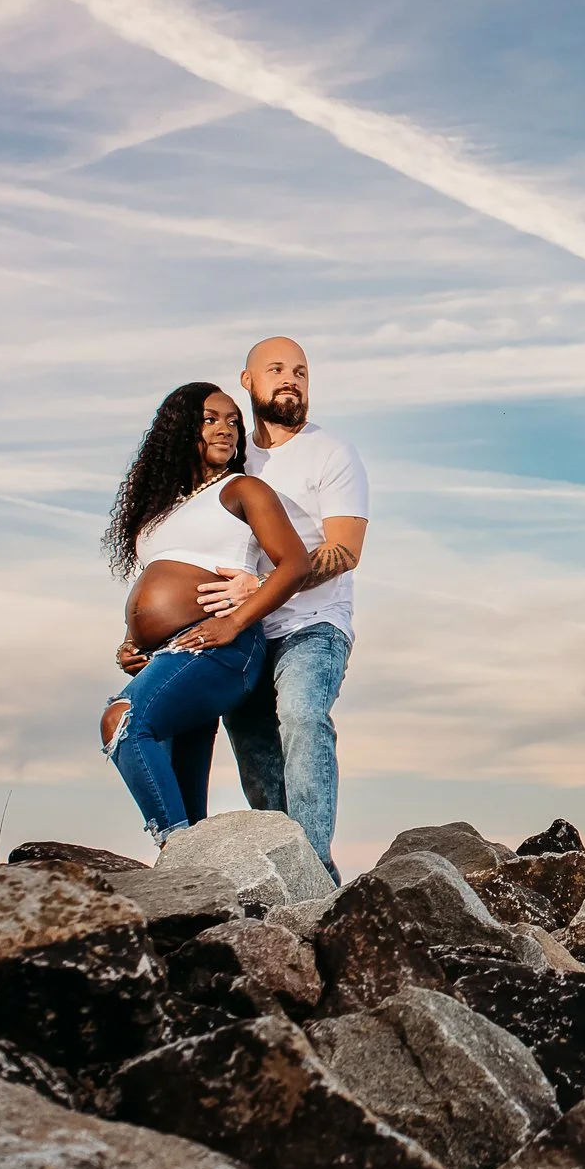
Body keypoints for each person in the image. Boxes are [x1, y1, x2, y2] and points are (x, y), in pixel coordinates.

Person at [101, 383, 309, 840]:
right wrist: (133, 642)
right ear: (179, 429)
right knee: (184, 790)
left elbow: (295, 564)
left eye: (234, 421)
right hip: (169, 654)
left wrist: (232, 621)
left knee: (124, 722)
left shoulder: (244, 489)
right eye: (210, 419)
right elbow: (156, 583)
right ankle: (195, 883)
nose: (226, 430)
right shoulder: (161, 509)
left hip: (219, 647)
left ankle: (175, 855)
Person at [193, 337, 368, 881]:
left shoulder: (331, 453)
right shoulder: (230, 457)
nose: (290, 379)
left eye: (300, 371)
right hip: (241, 632)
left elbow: (346, 550)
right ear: (247, 381)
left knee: (302, 717)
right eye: (276, 369)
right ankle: (285, 875)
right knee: (254, 752)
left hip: (314, 625)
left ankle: (311, 871)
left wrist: (261, 586)